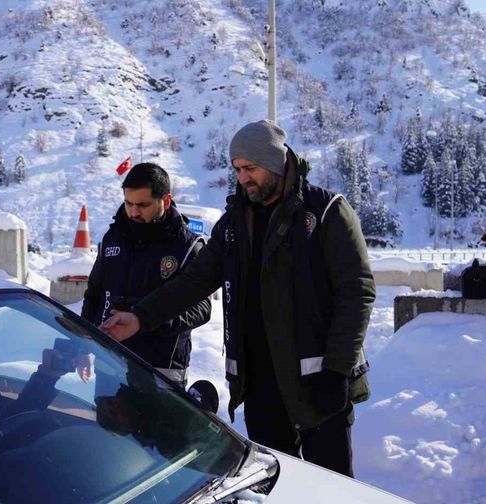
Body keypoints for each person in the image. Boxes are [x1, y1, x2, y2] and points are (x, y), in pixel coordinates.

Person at [101, 120, 375, 477]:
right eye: (237, 169)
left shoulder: (325, 213)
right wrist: (140, 317)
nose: (244, 178)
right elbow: (194, 282)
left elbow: (357, 292)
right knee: (278, 486)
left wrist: (337, 370)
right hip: (260, 387)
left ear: (275, 163)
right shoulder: (233, 224)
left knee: (332, 488)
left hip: (318, 383)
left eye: (251, 168)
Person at [82, 163, 212, 388]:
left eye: (143, 205)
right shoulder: (112, 239)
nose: (133, 212)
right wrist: (83, 343)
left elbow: (202, 309)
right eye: (128, 203)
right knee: (106, 424)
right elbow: (94, 295)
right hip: (110, 361)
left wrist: (146, 319)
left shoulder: (188, 246)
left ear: (166, 201)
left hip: (160, 370)